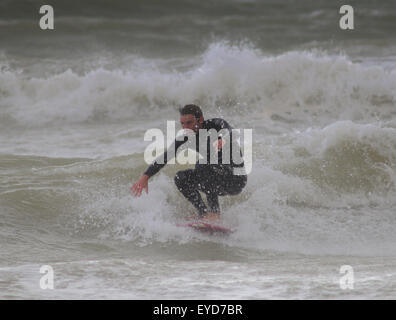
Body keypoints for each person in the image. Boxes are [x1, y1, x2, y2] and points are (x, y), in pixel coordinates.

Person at [131, 104, 247, 221]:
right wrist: (145, 177)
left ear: (200, 119)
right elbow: (166, 156)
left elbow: (233, 132)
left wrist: (223, 139)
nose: (185, 128)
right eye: (182, 124)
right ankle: (204, 213)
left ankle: (215, 214)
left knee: (202, 164)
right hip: (216, 178)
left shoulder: (216, 125)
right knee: (181, 178)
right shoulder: (185, 137)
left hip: (235, 179)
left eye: (189, 123)